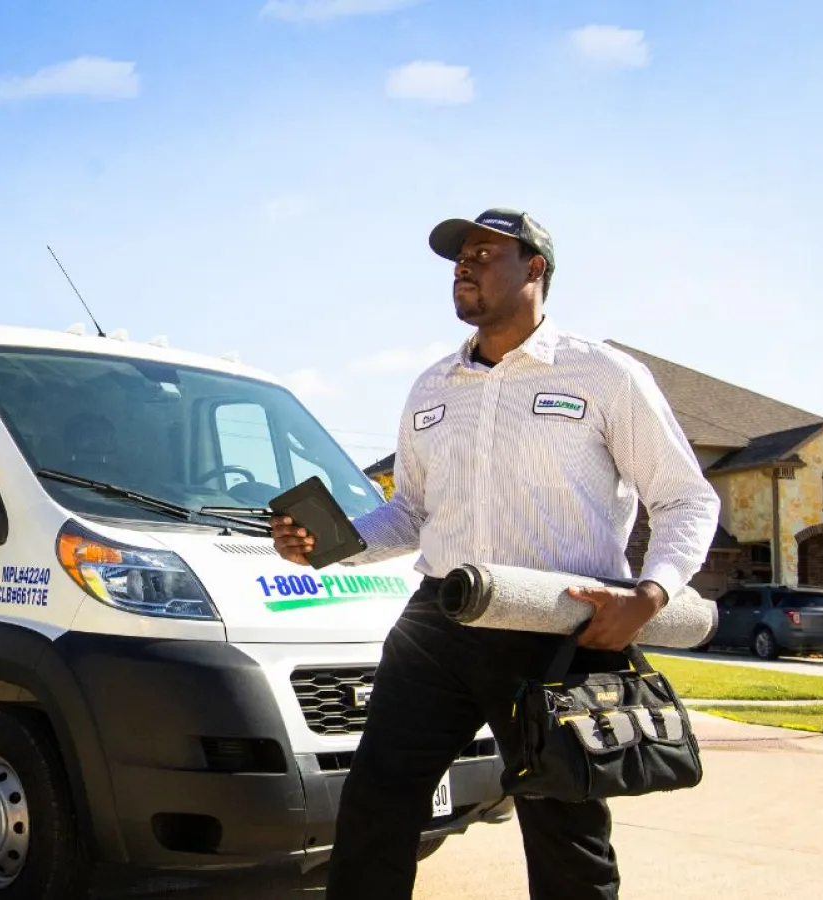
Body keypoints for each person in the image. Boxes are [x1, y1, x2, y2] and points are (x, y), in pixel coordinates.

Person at [271, 208, 720, 900]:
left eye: (485, 253)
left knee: (565, 830)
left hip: (557, 629)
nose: (465, 266)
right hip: (439, 624)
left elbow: (687, 499)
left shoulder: (603, 374)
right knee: (375, 805)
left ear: (535, 268)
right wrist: (332, 546)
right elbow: (412, 512)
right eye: (459, 258)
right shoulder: (432, 387)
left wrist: (650, 595)